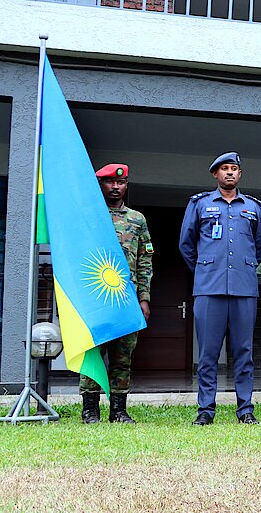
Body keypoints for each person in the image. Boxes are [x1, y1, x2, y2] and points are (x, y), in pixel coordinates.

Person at [180, 152, 261, 425]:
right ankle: (206, 410)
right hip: (209, 289)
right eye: (224, 169)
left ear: (240, 174)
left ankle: (245, 409)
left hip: (244, 289)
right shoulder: (199, 204)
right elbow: (186, 245)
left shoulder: (253, 207)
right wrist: (207, 270)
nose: (229, 172)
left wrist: (240, 268)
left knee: (244, 353)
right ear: (215, 174)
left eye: (234, 168)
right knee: (208, 355)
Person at [80, 163, 153, 424]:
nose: (115, 187)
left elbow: (145, 261)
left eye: (120, 183)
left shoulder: (137, 219)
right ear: (100, 185)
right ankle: (90, 409)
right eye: (110, 182)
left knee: (123, 355)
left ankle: (118, 410)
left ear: (126, 186)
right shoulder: (88, 216)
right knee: (94, 353)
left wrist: (143, 298)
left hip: (126, 298)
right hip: (95, 296)